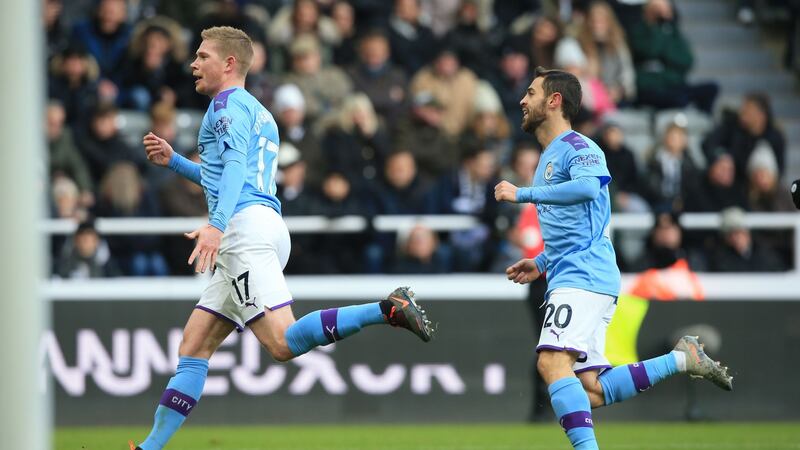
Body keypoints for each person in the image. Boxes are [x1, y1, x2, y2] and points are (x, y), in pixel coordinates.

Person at [130, 27, 433, 450]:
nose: (193, 64)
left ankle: (386, 308)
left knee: (282, 343)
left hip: (241, 232)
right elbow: (227, 176)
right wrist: (176, 161)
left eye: (202, 56)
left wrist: (217, 225)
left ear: (229, 63)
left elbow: (234, 172)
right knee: (194, 344)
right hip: (264, 223)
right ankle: (149, 447)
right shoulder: (259, 112)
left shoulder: (223, 106)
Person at [494, 67, 732, 450]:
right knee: (590, 389)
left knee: (551, 365)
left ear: (554, 101)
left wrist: (522, 194)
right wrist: (539, 262)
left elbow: (589, 189)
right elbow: (575, 229)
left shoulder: (579, 147)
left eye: (532, 93)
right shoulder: (547, 159)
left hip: (583, 276)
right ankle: (681, 359)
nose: (523, 100)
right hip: (576, 273)